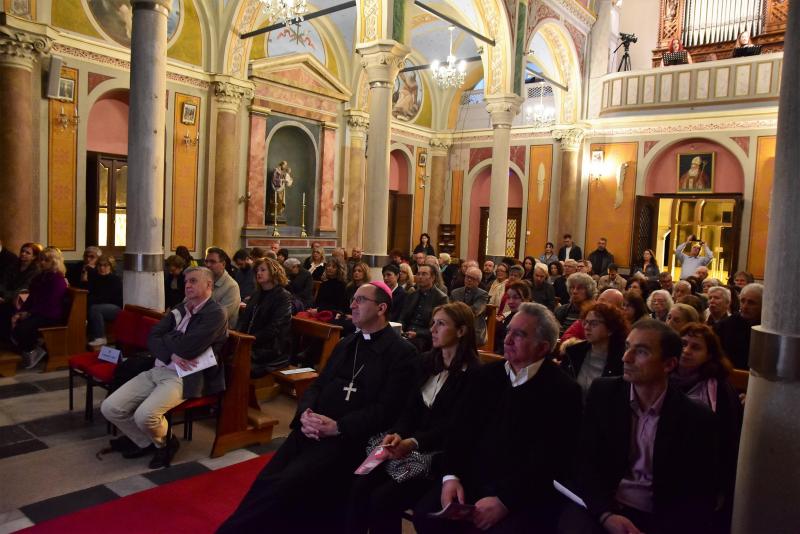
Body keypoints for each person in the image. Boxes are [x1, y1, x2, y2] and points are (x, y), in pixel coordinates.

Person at [218, 282, 417, 533]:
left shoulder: (402, 353)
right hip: (312, 430)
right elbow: (318, 384)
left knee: (286, 486)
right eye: (353, 299)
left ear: (381, 308)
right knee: (266, 481)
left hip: (349, 439)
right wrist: (306, 414)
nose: (352, 305)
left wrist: (338, 427)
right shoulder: (347, 344)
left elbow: (386, 409)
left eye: (360, 300)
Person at [412, 303, 582, 533]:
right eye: (509, 331)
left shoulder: (563, 390)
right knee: (426, 515)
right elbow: (458, 430)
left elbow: (550, 459)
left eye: (519, 335)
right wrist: (451, 477)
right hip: (472, 479)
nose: (507, 339)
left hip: (521, 491)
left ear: (542, 347)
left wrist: (505, 501)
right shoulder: (484, 375)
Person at [563, 320, 718, 534]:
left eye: (642, 352)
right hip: (605, 504)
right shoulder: (604, 393)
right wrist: (606, 514)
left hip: (658, 516)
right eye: (627, 347)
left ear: (669, 364)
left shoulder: (694, 416)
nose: (626, 358)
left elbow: (696, 491)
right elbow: (585, 461)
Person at [347, 302, 480, 534]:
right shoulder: (426, 362)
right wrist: (397, 434)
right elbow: (408, 409)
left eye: (441, 324)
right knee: (359, 484)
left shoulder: (474, 375)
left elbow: (455, 426)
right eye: (433, 323)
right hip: (407, 444)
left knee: (382, 499)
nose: (433, 329)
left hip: (439, 455)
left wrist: (414, 442)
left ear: (461, 331)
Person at [101, 267, 228, 470]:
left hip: (184, 376)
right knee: (110, 407)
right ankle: (145, 442)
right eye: (186, 281)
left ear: (209, 285)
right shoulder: (181, 308)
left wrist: (168, 340)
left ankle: (166, 443)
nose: (187, 285)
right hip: (158, 368)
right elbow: (152, 336)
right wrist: (172, 353)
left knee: (145, 415)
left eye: (193, 281)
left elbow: (187, 348)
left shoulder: (215, 313)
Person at [673, 323, 743, 533]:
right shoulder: (662, 376)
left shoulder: (719, 387)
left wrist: (721, 486)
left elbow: (728, 439)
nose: (686, 350)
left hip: (702, 469)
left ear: (709, 355)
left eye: (695, 347)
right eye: (683, 344)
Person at [7, 247, 68, 369]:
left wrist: (28, 314)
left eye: (46, 260)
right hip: (38, 312)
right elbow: (31, 298)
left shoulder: (58, 280)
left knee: (22, 328)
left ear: (54, 262)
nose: (42, 262)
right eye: (41, 259)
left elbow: (50, 303)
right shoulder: (39, 277)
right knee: (8, 319)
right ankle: (31, 349)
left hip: (50, 315)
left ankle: (32, 351)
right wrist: (19, 312)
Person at [236, 258, 292, 377]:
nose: (258, 273)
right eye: (257, 270)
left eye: (263, 270)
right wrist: (239, 337)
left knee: (238, 364)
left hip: (271, 349)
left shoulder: (283, 296)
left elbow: (275, 327)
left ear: (273, 272)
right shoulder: (256, 294)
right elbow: (244, 320)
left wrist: (250, 340)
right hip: (251, 343)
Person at [561, 301, 629, 398]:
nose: (587, 327)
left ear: (610, 329)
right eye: (586, 322)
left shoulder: (622, 359)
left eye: (594, 323)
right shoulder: (573, 352)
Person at [400, 264, 448, 353]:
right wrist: (400, 328)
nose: (420, 277)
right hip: (406, 333)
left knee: (409, 348)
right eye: (418, 274)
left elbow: (440, 326)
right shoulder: (412, 295)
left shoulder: (440, 298)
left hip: (425, 337)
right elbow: (402, 317)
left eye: (424, 274)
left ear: (433, 277)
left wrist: (417, 334)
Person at [714, 283, 762, 369]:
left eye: (751, 303)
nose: (745, 306)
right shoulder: (726, 324)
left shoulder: (766, 328)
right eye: (742, 301)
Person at [87, 255, 123, 348]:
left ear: (110, 266)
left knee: (95, 308)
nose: (102, 268)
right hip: (100, 305)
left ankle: (100, 337)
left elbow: (107, 297)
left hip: (115, 307)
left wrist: (93, 299)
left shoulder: (115, 279)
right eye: (100, 265)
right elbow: (89, 293)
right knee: (90, 306)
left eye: (105, 265)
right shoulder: (95, 278)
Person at [449, 267, 489, 347]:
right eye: (467, 277)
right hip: (455, 325)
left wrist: (458, 311)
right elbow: (449, 310)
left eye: (473, 278)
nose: (469, 280)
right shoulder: (455, 292)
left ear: (478, 281)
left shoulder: (483, 294)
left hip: (474, 327)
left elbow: (475, 311)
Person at [204, 247, 241, 328]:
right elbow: (186, 304)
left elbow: (220, 317)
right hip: (200, 326)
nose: (208, 265)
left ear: (223, 264)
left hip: (220, 331)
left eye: (212, 262)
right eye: (206, 261)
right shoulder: (202, 281)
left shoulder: (232, 287)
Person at [0, 242, 42, 306]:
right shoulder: (13, 266)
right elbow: (3, 282)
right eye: (22, 251)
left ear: (34, 257)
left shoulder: (35, 271)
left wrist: (5, 297)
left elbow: (24, 289)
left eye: (27, 253)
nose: (23, 254)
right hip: (5, 297)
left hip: (21, 301)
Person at [494, 281, 531, 354]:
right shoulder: (510, 317)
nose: (510, 301)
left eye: (515, 298)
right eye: (508, 297)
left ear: (526, 299)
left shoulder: (530, 321)